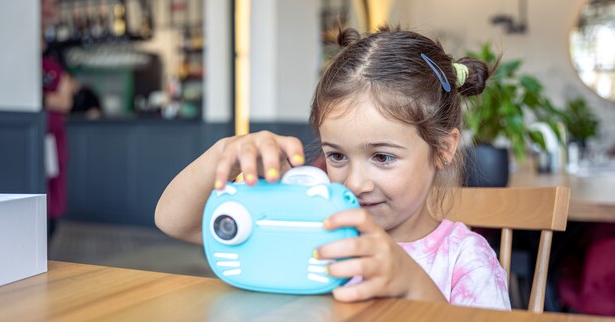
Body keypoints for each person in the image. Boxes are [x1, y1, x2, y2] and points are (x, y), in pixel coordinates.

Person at [155, 26, 510, 310]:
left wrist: (411, 282)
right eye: (337, 156)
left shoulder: (465, 259)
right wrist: (223, 153)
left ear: (444, 149)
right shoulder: (312, 228)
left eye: (382, 157)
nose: (354, 183)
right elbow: (173, 222)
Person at [42, 0, 75, 240]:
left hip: (52, 140)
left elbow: (65, 100)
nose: (49, 9)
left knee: (51, 203)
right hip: (36, 137)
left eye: (54, 5)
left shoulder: (55, 52)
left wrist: (42, 98)